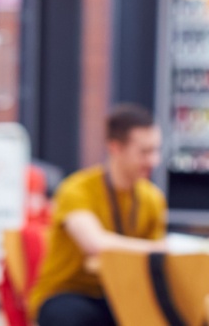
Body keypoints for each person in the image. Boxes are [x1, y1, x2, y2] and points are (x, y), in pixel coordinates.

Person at [29, 104, 168, 326]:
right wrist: (161, 248)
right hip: (68, 292)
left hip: (120, 294)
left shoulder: (152, 198)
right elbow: (94, 243)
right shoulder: (77, 189)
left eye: (156, 150)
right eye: (144, 152)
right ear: (115, 147)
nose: (154, 161)